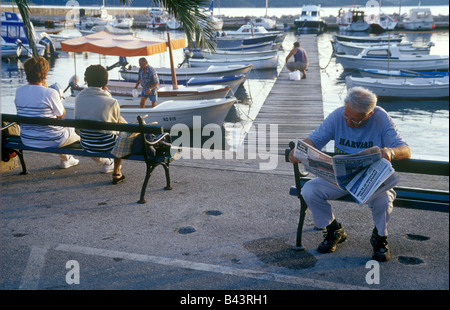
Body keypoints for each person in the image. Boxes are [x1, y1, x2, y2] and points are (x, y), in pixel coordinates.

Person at [289, 87, 411, 262]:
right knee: (309, 190)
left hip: (371, 181)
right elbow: (314, 139)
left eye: (354, 121)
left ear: (368, 115)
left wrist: (390, 152)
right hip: (340, 178)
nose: (347, 122)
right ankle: (333, 230)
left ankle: (380, 237)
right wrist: (298, 151)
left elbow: (405, 150)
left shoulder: (382, 119)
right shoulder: (339, 115)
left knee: (384, 200)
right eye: (346, 116)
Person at [14, 56, 80, 169]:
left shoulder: (19, 91)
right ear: (45, 74)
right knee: (74, 132)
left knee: (59, 130)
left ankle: (66, 160)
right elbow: (61, 114)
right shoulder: (50, 93)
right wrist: (53, 94)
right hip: (51, 140)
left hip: (27, 138)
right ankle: (107, 163)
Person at [74, 64, 126, 184]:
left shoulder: (79, 98)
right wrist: (108, 95)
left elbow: (77, 126)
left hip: (86, 143)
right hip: (108, 145)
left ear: (86, 80)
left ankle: (108, 164)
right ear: (105, 81)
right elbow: (116, 128)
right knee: (123, 132)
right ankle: (117, 171)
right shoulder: (111, 101)